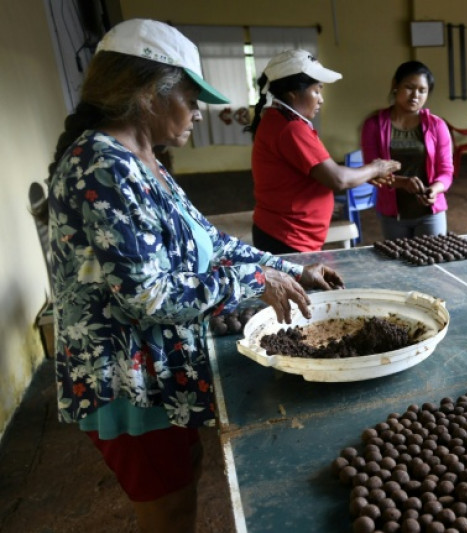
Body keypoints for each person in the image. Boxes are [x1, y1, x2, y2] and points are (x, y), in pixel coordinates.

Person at [45, 19, 343, 532]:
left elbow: (211, 243)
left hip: (167, 369)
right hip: (131, 378)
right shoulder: (101, 167)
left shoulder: (146, 161)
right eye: (190, 96)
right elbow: (150, 296)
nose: (199, 110)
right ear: (147, 95)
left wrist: (289, 269)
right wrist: (254, 283)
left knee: (187, 476)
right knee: (169, 510)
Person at [247, 49, 400, 253]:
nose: (321, 99)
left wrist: (362, 175)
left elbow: (317, 171)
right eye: (316, 90)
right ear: (293, 92)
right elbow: (337, 179)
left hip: (285, 234)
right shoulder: (291, 129)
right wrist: (375, 168)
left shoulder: (279, 119)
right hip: (288, 238)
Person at [361, 61, 454, 239]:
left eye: (422, 90)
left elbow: (446, 171)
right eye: (409, 87)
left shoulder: (437, 125)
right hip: (392, 215)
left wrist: (434, 190)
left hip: (430, 214)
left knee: (431, 263)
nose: (415, 96)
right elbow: (370, 172)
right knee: (398, 264)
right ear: (395, 85)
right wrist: (402, 182)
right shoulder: (373, 125)